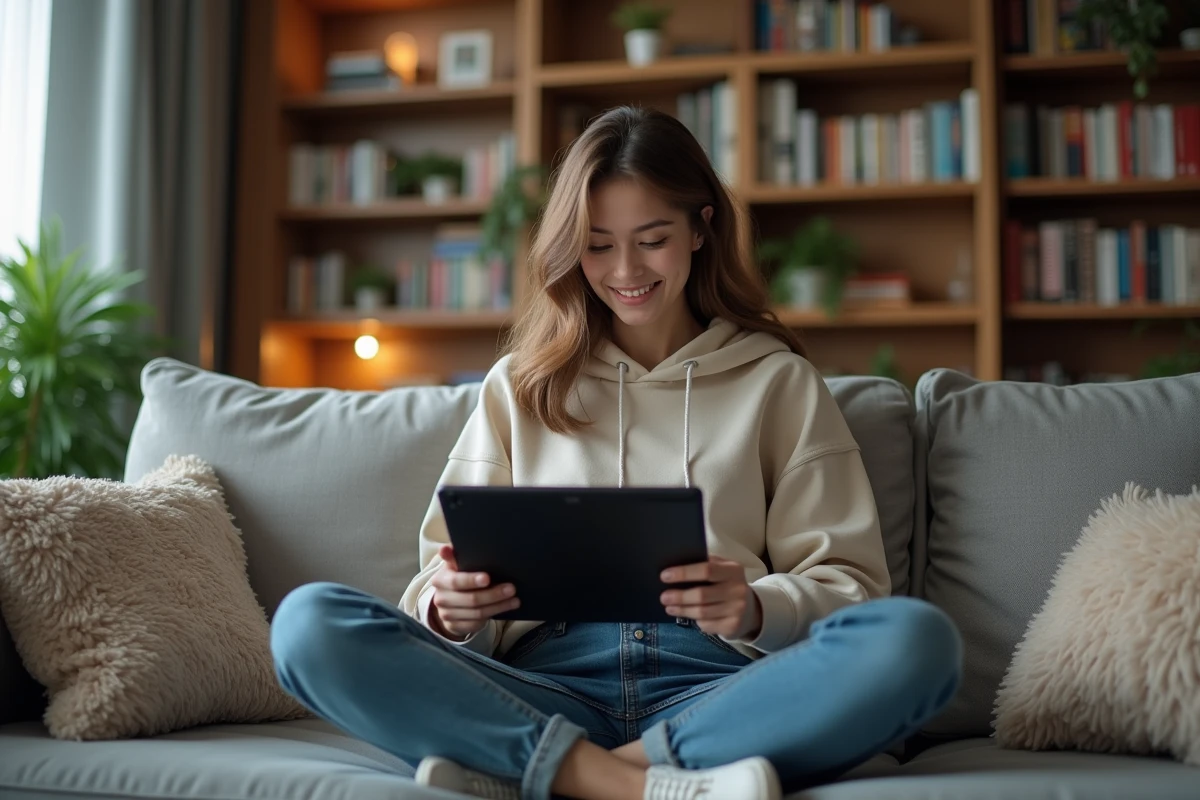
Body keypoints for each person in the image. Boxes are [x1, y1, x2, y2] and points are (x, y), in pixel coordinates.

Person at [270, 106, 963, 800]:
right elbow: (438, 577)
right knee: (309, 625)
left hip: (718, 690)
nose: (625, 270)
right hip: (542, 686)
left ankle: (543, 769)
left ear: (700, 227)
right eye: (598, 245)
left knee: (917, 642)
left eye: (652, 239)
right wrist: (448, 612)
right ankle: (635, 782)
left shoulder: (775, 381)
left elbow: (852, 587)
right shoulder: (520, 386)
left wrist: (754, 608)